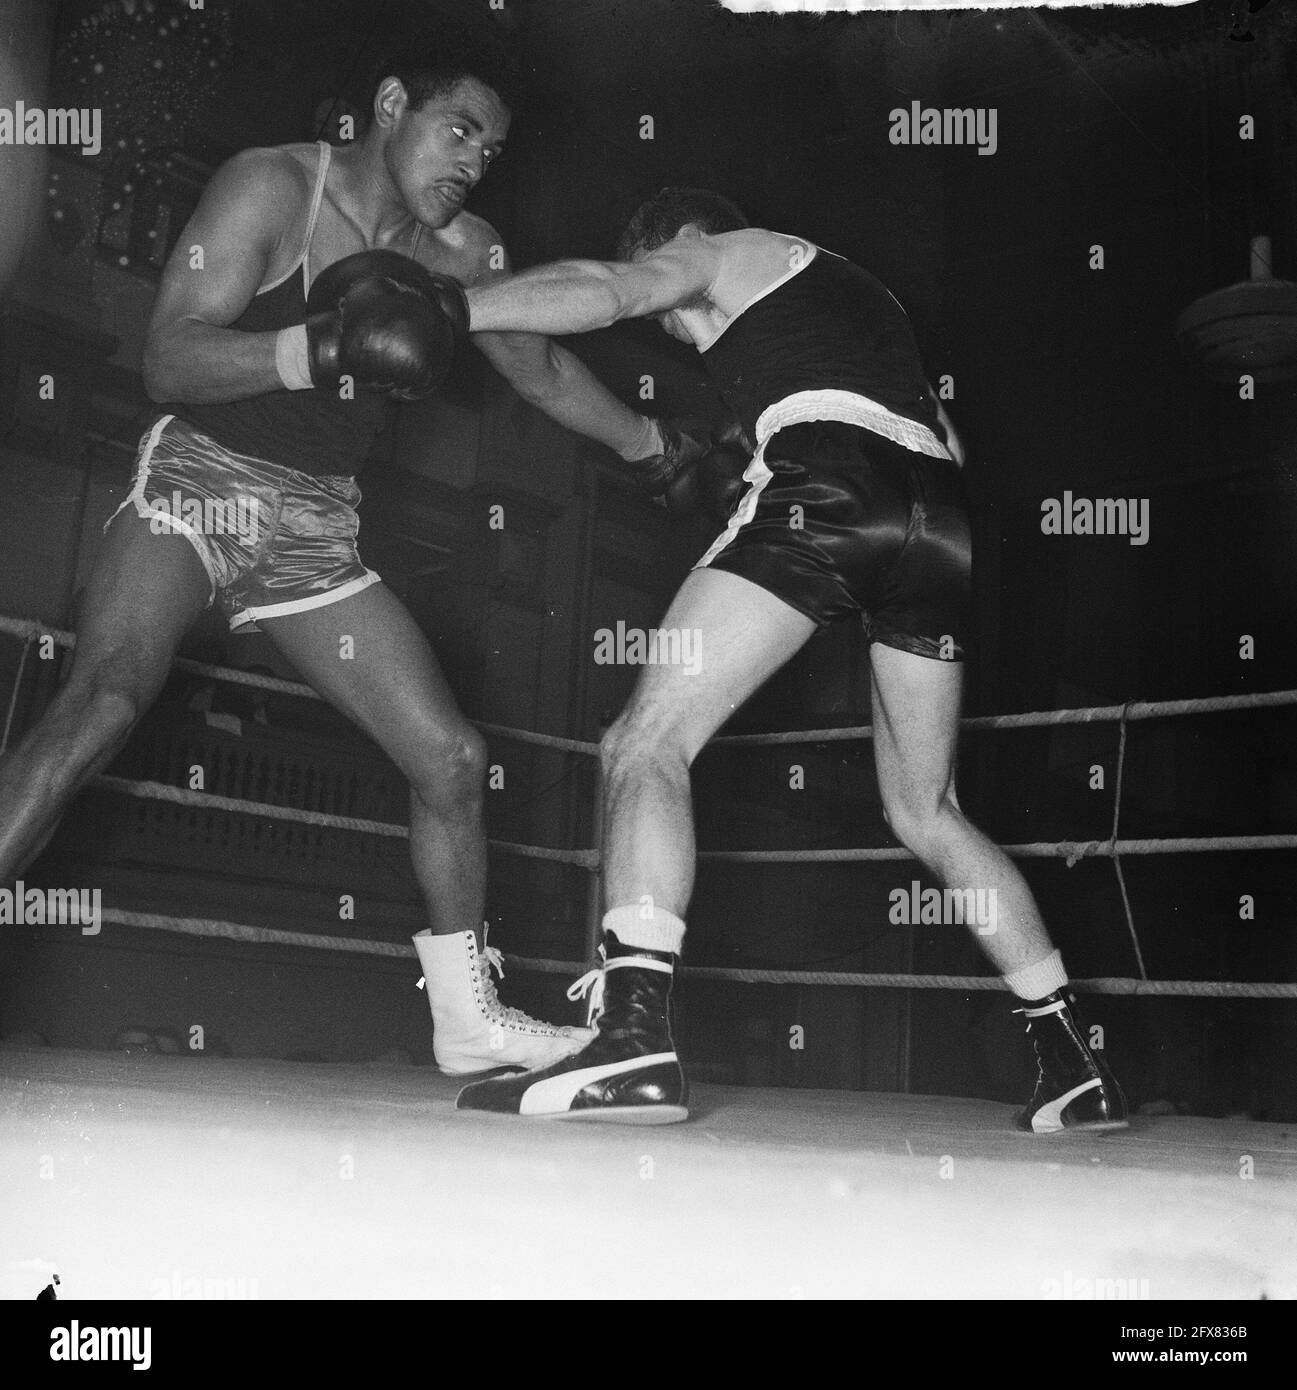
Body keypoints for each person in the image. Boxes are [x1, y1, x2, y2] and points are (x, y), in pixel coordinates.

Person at [0, 37, 696, 1076]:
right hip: (201, 482)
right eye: (458, 128)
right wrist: (317, 345)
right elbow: (167, 353)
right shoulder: (272, 185)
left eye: (492, 149)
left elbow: (542, 367)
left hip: (316, 529)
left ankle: (468, 1016)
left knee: (452, 759)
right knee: (101, 701)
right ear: (388, 106)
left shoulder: (467, 254)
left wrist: (650, 445)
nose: (472, 161)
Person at [453, 187, 1128, 1132]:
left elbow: (606, 290)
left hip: (832, 485)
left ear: (682, 239)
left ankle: (632, 1043)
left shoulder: (720, 248)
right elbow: (943, 437)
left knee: (645, 741)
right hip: (940, 522)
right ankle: (1072, 1062)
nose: (681, 337)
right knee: (926, 809)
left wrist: (450, 304)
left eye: (678, 320)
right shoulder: (860, 299)